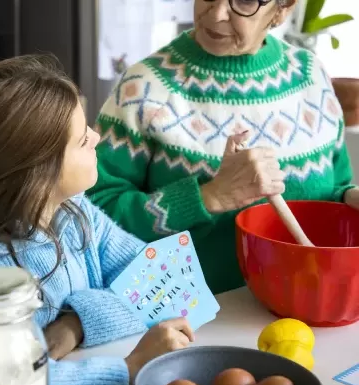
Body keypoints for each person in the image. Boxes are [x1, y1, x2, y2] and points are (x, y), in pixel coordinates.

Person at [0, 56, 194, 385]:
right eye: (83, 139)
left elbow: (170, 276)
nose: (97, 137)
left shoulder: (72, 212)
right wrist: (129, 368)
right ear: (36, 175)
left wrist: (77, 322)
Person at [88, 0, 358, 295]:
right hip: (189, 319)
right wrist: (208, 197)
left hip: (305, 305)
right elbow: (93, 212)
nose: (215, 14)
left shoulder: (311, 76)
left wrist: (350, 197)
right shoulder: (144, 87)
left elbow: (334, 191)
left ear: (283, 9)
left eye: (243, 1)